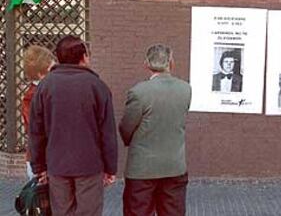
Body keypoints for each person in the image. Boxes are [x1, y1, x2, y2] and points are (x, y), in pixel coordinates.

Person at [29, 35, 118, 215]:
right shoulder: (97, 86)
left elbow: (36, 131)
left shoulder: (45, 87)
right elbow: (107, 133)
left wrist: (39, 167)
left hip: (57, 165)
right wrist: (110, 168)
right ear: (83, 57)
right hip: (90, 165)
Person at [119, 44, 191, 216]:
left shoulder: (138, 92)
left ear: (146, 64)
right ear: (171, 63)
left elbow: (126, 128)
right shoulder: (185, 89)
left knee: (138, 211)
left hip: (142, 168)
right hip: (174, 165)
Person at [22, 45, 55, 179]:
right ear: (41, 73)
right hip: (41, 159)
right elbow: (36, 129)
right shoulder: (33, 96)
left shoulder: (39, 92)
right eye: (51, 69)